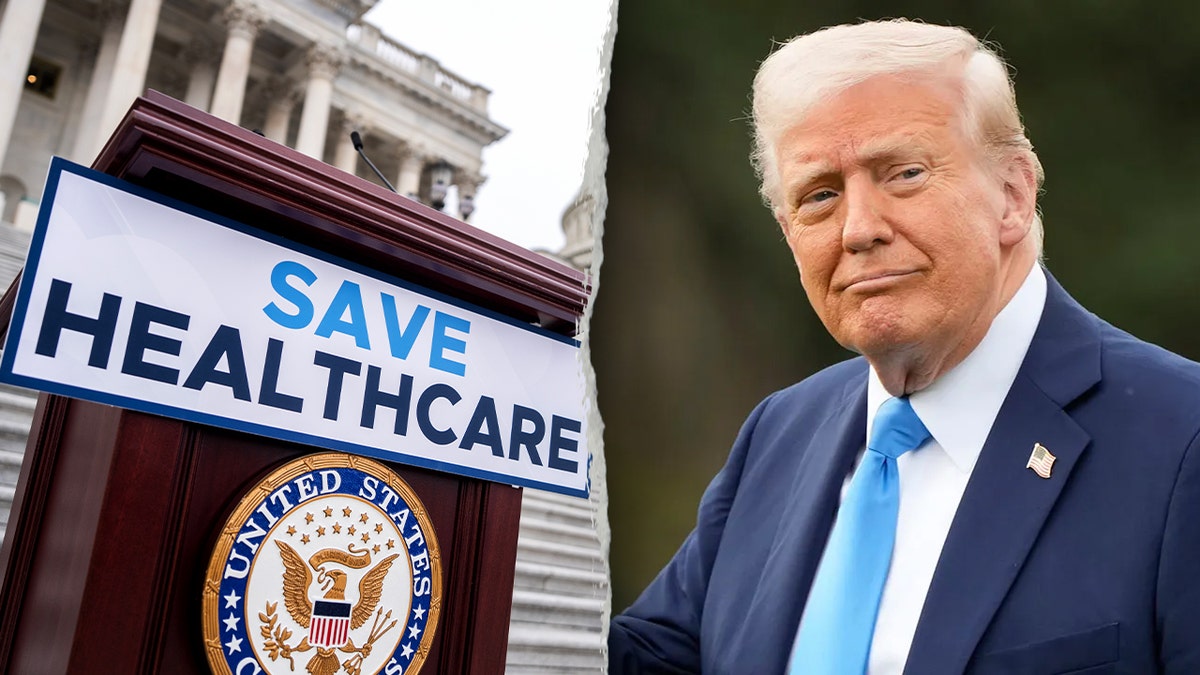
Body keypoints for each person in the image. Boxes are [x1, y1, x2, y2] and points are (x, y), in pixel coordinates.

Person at [607, 19, 1200, 674]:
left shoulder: (1181, 439)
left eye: (904, 173)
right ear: (787, 232)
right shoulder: (778, 432)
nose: (859, 229)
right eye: (820, 194)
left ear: (1013, 194)